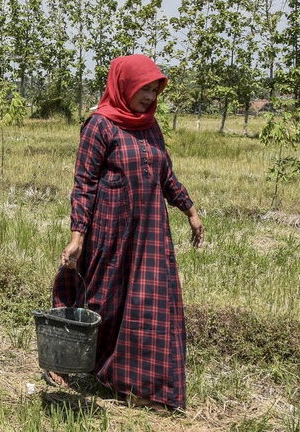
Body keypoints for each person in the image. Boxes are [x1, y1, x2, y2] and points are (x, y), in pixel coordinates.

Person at [49, 54, 205, 412]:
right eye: (143, 89)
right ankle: (64, 361)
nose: (150, 97)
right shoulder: (99, 126)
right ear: (124, 85)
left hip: (149, 235)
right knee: (102, 301)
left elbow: (165, 174)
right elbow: (84, 184)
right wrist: (77, 235)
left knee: (148, 306)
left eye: (154, 90)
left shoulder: (150, 125)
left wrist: (190, 211)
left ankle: (139, 385)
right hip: (110, 233)